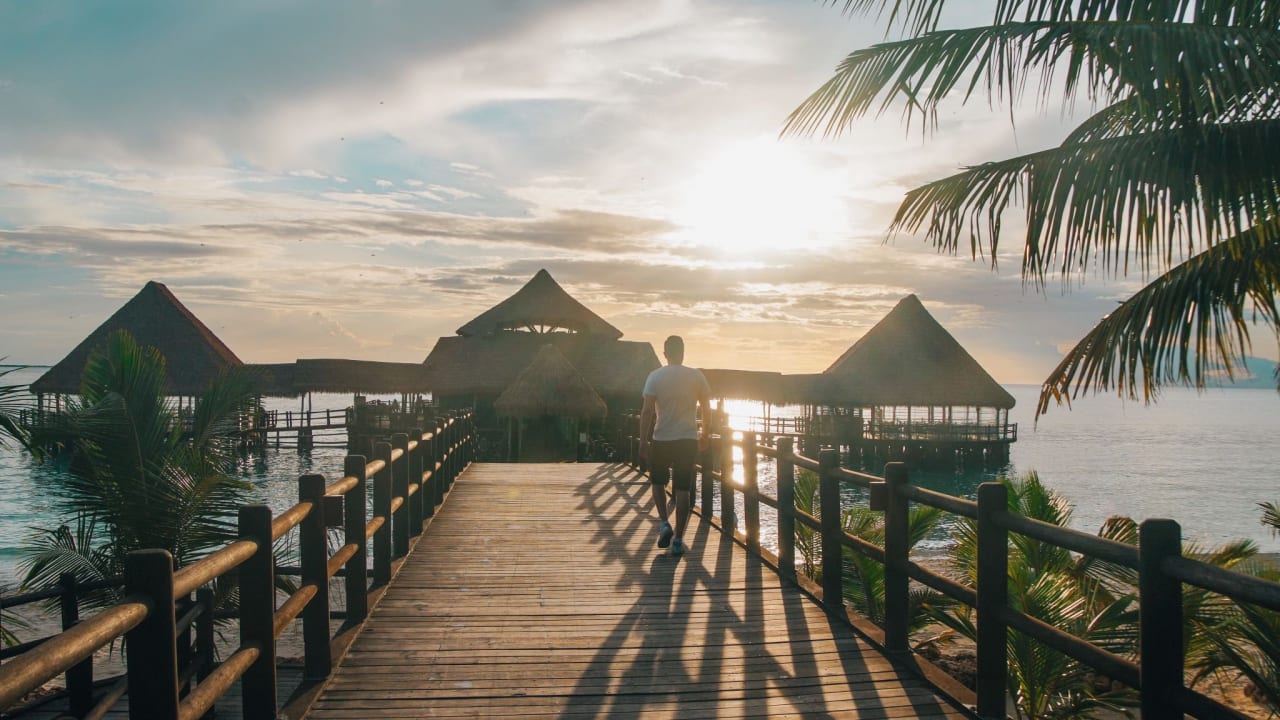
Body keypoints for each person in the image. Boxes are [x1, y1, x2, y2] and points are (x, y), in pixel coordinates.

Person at [639, 335, 711, 557]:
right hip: (687, 439)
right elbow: (707, 407)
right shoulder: (696, 376)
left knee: (658, 482)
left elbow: (648, 411)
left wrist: (643, 440)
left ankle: (664, 523)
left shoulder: (655, 376)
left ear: (665, 353)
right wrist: (705, 432)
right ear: (683, 352)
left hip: (662, 438)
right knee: (682, 489)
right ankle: (679, 539)